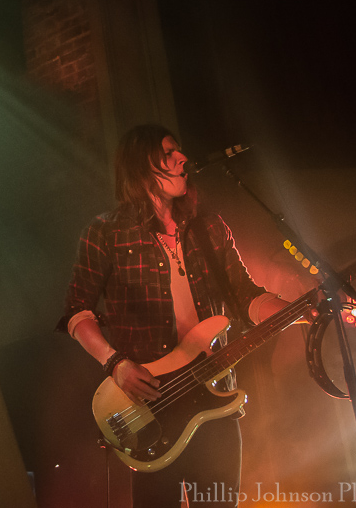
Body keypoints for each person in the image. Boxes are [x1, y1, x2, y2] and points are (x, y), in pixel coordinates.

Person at [57, 124, 295, 508]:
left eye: (179, 151)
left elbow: (246, 297)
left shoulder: (209, 228)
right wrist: (115, 363)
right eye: (169, 154)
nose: (183, 158)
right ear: (140, 168)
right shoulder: (105, 232)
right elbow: (77, 311)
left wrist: (304, 310)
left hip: (214, 395)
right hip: (149, 403)